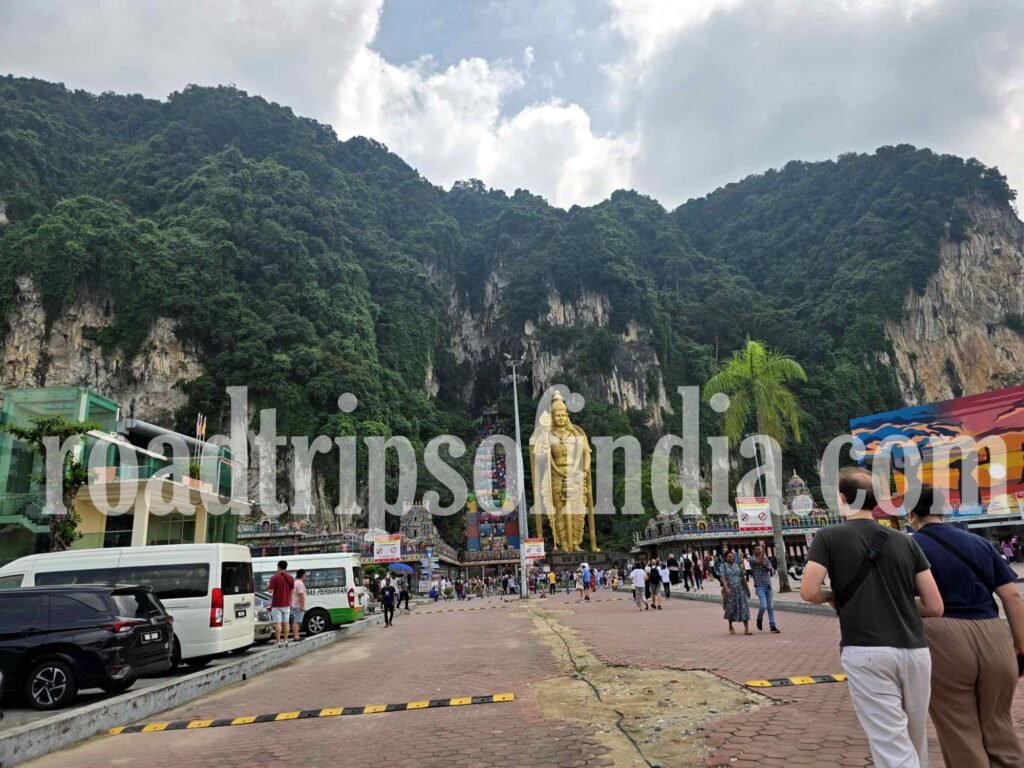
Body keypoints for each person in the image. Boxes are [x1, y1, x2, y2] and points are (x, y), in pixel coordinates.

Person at [800, 467, 943, 768]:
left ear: (842, 498)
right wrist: (895, 601)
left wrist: (834, 595)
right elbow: (934, 605)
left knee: (890, 742)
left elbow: (809, 591)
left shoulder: (828, 537)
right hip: (915, 650)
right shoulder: (906, 541)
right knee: (915, 737)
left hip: (866, 649)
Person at [906, 488, 1024, 767]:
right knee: (999, 723)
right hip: (993, 634)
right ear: (944, 510)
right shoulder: (978, 543)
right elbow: (1011, 595)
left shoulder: (908, 547)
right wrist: (1020, 646)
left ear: (910, 514)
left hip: (943, 637)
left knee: (959, 728)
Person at [750, 545, 779, 633]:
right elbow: (759, 561)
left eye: (760, 549)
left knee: (770, 607)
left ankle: (773, 626)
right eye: (757, 549)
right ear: (753, 551)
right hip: (759, 586)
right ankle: (759, 618)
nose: (759, 550)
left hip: (768, 585)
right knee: (763, 606)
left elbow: (771, 570)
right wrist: (764, 550)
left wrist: (766, 566)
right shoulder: (751, 559)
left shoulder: (765, 558)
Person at [721, 551, 751, 634]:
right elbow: (724, 579)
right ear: (726, 558)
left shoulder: (737, 565)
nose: (731, 558)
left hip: (740, 590)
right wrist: (726, 588)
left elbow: (742, 578)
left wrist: (747, 589)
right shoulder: (723, 566)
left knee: (744, 608)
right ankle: (730, 626)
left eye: (732, 556)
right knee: (731, 608)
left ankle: (746, 629)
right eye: (729, 556)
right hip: (730, 591)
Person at [267, 560, 294, 648]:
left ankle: (278, 642)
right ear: (286, 567)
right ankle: (285, 640)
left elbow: (270, 591)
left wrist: (268, 585)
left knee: (278, 624)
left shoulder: (274, 577)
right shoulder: (290, 577)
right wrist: (290, 601)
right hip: (286, 604)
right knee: (286, 623)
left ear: (278, 567)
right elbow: (292, 590)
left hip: (276, 604)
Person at [290, 568, 307, 642]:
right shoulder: (299, 583)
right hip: (298, 605)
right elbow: (301, 595)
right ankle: (296, 636)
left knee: (296, 621)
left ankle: (296, 635)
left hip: (295, 605)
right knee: (297, 621)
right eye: (305, 575)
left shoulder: (296, 582)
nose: (306, 576)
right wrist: (302, 606)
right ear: (302, 575)